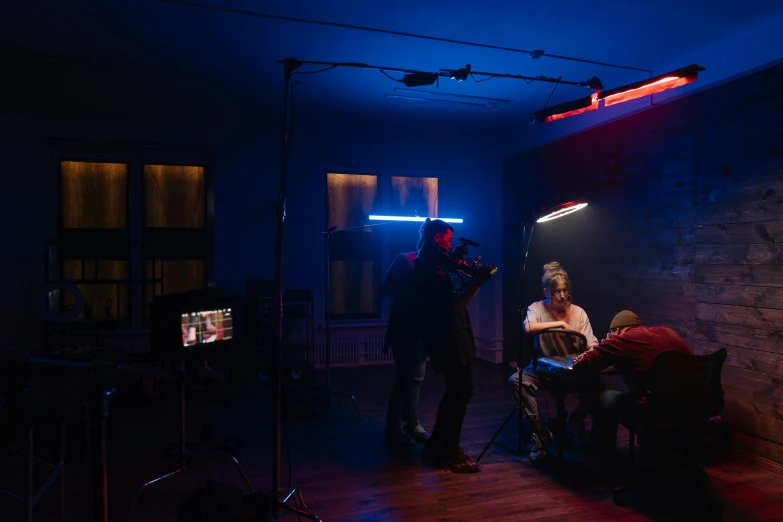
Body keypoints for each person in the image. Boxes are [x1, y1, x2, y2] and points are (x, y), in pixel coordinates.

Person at [412, 219, 492, 474]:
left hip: (452, 336)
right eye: (447, 239)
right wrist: (477, 283)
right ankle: (449, 452)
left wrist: (458, 264)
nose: (450, 244)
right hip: (448, 338)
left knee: (457, 392)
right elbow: (454, 305)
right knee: (460, 392)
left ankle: (437, 447)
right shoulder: (428, 268)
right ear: (436, 238)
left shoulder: (430, 262)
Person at [508, 262, 599, 462]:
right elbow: (528, 327)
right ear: (546, 292)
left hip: (571, 370)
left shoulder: (579, 312)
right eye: (557, 291)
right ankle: (541, 434)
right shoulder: (537, 308)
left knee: (597, 384)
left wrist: (591, 354)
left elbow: (591, 342)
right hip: (543, 369)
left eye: (565, 290)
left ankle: (576, 420)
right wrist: (559, 323)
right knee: (517, 380)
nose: (562, 295)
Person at [572, 310, 692, 456]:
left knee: (602, 397)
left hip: (654, 409)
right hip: (690, 407)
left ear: (617, 331)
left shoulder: (622, 339)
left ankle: (603, 456)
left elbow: (582, 365)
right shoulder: (666, 332)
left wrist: (606, 343)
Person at [382, 242, 429, 446]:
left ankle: (411, 423)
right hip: (402, 327)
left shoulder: (435, 263)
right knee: (404, 378)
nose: (448, 245)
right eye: (445, 239)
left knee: (416, 378)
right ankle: (393, 427)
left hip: (421, 329)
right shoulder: (405, 259)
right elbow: (385, 289)